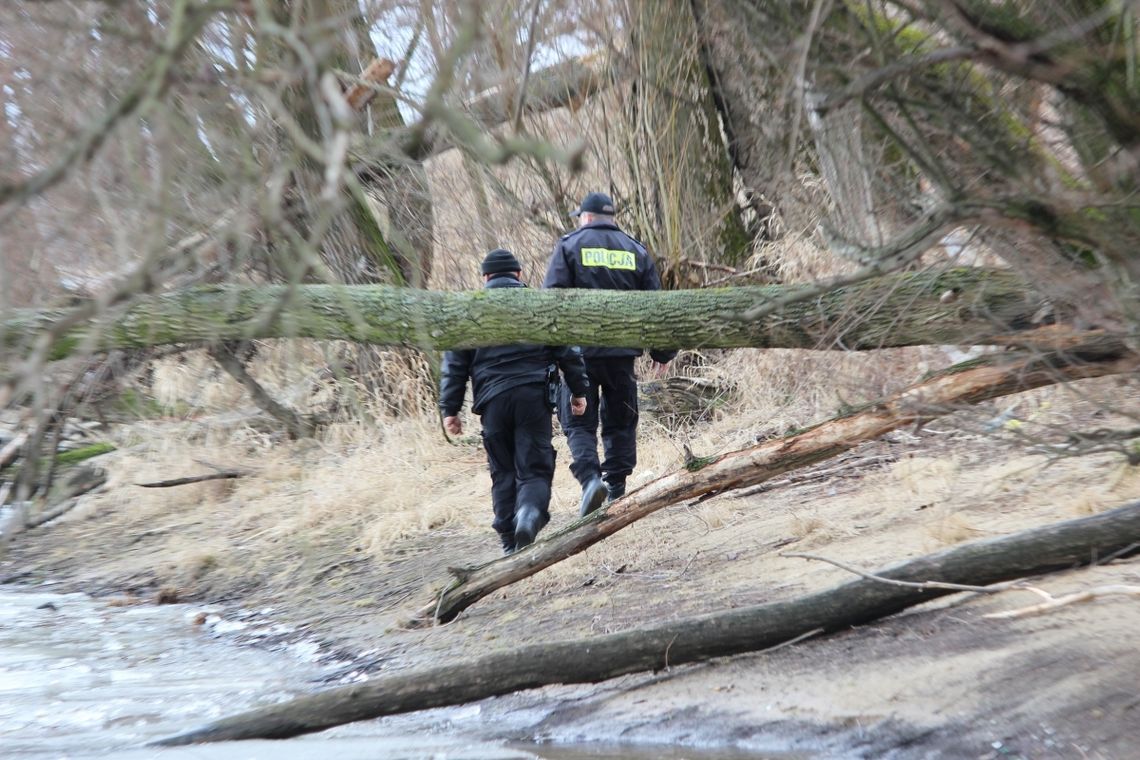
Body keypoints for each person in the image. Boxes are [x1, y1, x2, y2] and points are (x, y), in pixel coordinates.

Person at [439, 248, 590, 554]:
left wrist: (450, 409)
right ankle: (529, 512)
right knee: (535, 467)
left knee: (502, 471)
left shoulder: (469, 309)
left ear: (485, 278)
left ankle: (509, 540)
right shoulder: (538, 304)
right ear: (519, 275)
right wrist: (578, 391)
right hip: (533, 398)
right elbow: (568, 352)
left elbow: (454, 365)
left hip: (492, 402)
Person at [543, 192, 676, 517]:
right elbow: (657, 306)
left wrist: (551, 354)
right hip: (622, 355)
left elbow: (551, 305)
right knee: (621, 420)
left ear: (586, 217)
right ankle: (615, 487)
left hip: (578, 356)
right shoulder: (636, 250)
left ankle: (590, 480)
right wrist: (662, 352)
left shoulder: (569, 247)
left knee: (578, 422)